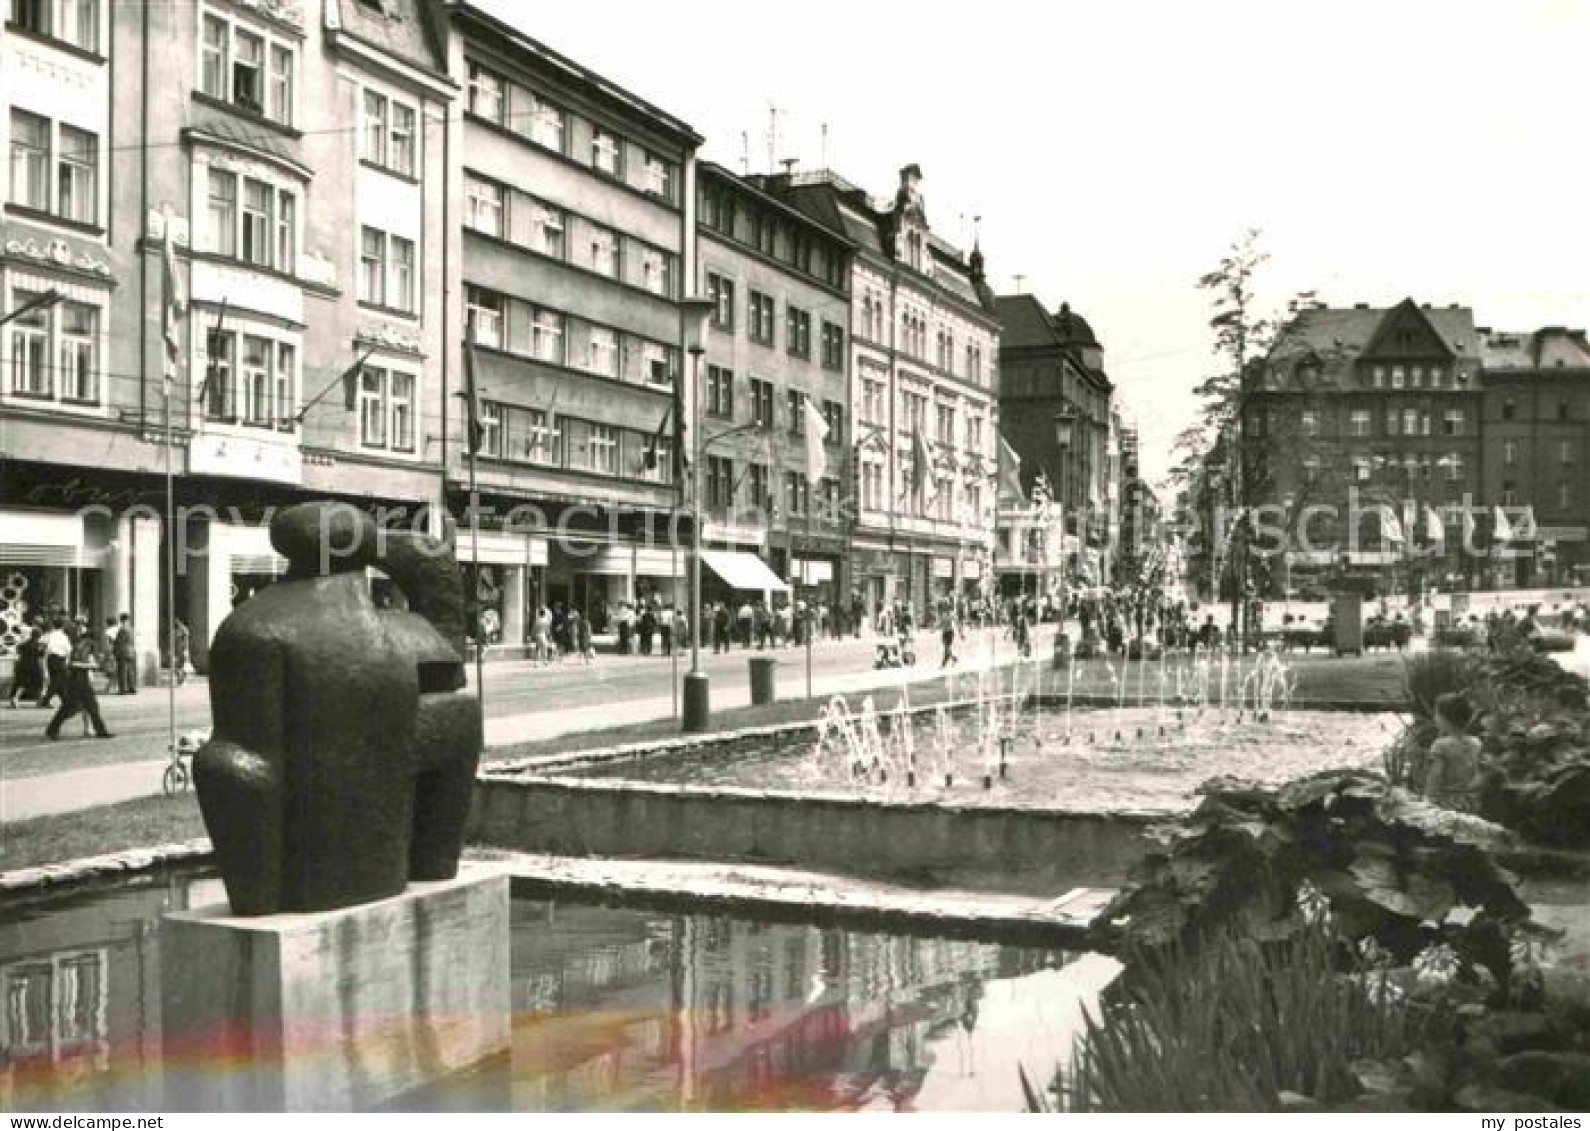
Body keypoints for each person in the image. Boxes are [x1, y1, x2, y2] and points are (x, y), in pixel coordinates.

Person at [45, 624, 113, 740]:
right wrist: (92, 666)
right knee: (78, 706)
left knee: (77, 706)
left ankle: (52, 729)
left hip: (78, 678)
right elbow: (74, 663)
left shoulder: (82, 644)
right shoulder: (85, 645)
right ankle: (52, 729)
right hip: (78, 679)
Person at [1423, 692, 1481, 812]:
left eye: (1436, 713)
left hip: (1448, 805)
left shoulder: (1440, 746)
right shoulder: (1476, 742)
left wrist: (1427, 802)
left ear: (1445, 718)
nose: (1434, 717)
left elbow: (1435, 778)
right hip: (1471, 803)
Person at [8, 626, 45, 707]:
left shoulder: (24, 644)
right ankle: (40, 701)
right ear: (38, 636)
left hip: (22, 665)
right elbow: (41, 655)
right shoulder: (38, 645)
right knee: (39, 683)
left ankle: (15, 698)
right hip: (34, 666)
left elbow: (18, 650)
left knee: (22, 684)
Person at [39, 616, 71, 708]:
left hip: (50, 659)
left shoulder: (50, 635)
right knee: (58, 680)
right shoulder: (63, 636)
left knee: (58, 680)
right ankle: (45, 700)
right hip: (60, 659)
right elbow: (68, 649)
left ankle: (65, 700)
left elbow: (41, 643)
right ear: (63, 626)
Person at [114, 613, 137, 694]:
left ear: (121, 620)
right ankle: (132, 687)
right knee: (130, 671)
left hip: (123, 652)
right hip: (131, 651)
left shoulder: (122, 630)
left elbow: (119, 642)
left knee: (122, 671)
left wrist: (115, 651)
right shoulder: (131, 629)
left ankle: (123, 689)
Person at [172, 619, 191, 686]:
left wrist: (185, 651)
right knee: (177, 667)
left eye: (178, 621)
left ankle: (182, 681)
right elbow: (173, 642)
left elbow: (186, 641)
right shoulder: (174, 632)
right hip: (177, 651)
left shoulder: (184, 631)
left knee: (184, 667)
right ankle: (180, 680)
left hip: (183, 651)